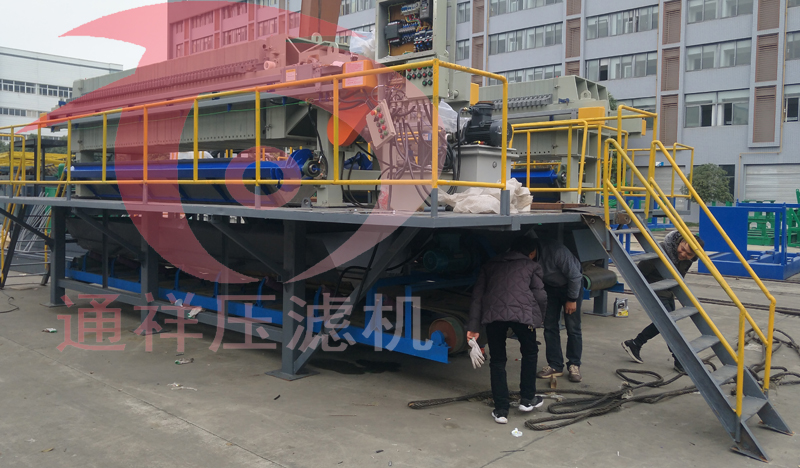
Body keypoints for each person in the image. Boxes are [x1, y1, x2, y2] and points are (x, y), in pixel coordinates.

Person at [467, 237, 548, 424]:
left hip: (494, 315)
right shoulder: (532, 266)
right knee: (529, 353)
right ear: (532, 253)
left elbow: (477, 297)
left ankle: (501, 410)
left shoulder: (490, 265)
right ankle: (527, 399)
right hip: (522, 315)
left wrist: (473, 327)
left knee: (497, 360)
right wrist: (538, 319)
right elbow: (540, 296)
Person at [621, 230, 705, 373]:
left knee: (665, 323)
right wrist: (647, 292)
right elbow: (640, 272)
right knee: (668, 324)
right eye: (683, 249)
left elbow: (680, 276)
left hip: (668, 291)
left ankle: (635, 343)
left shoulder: (688, 260)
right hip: (655, 289)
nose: (683, 254)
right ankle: (678, 360)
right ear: (681, 241)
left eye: (689, 254)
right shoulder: (660, 251)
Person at [535, 238, 584, 383]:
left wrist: (572, 299)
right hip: (550, 287)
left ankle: (574, 365)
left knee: (573, 327)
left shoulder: (557, 251)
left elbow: (575, 276)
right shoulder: (528, 257)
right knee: (550, 327)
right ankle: (555, 365)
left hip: (571, 284)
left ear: (534, 251)